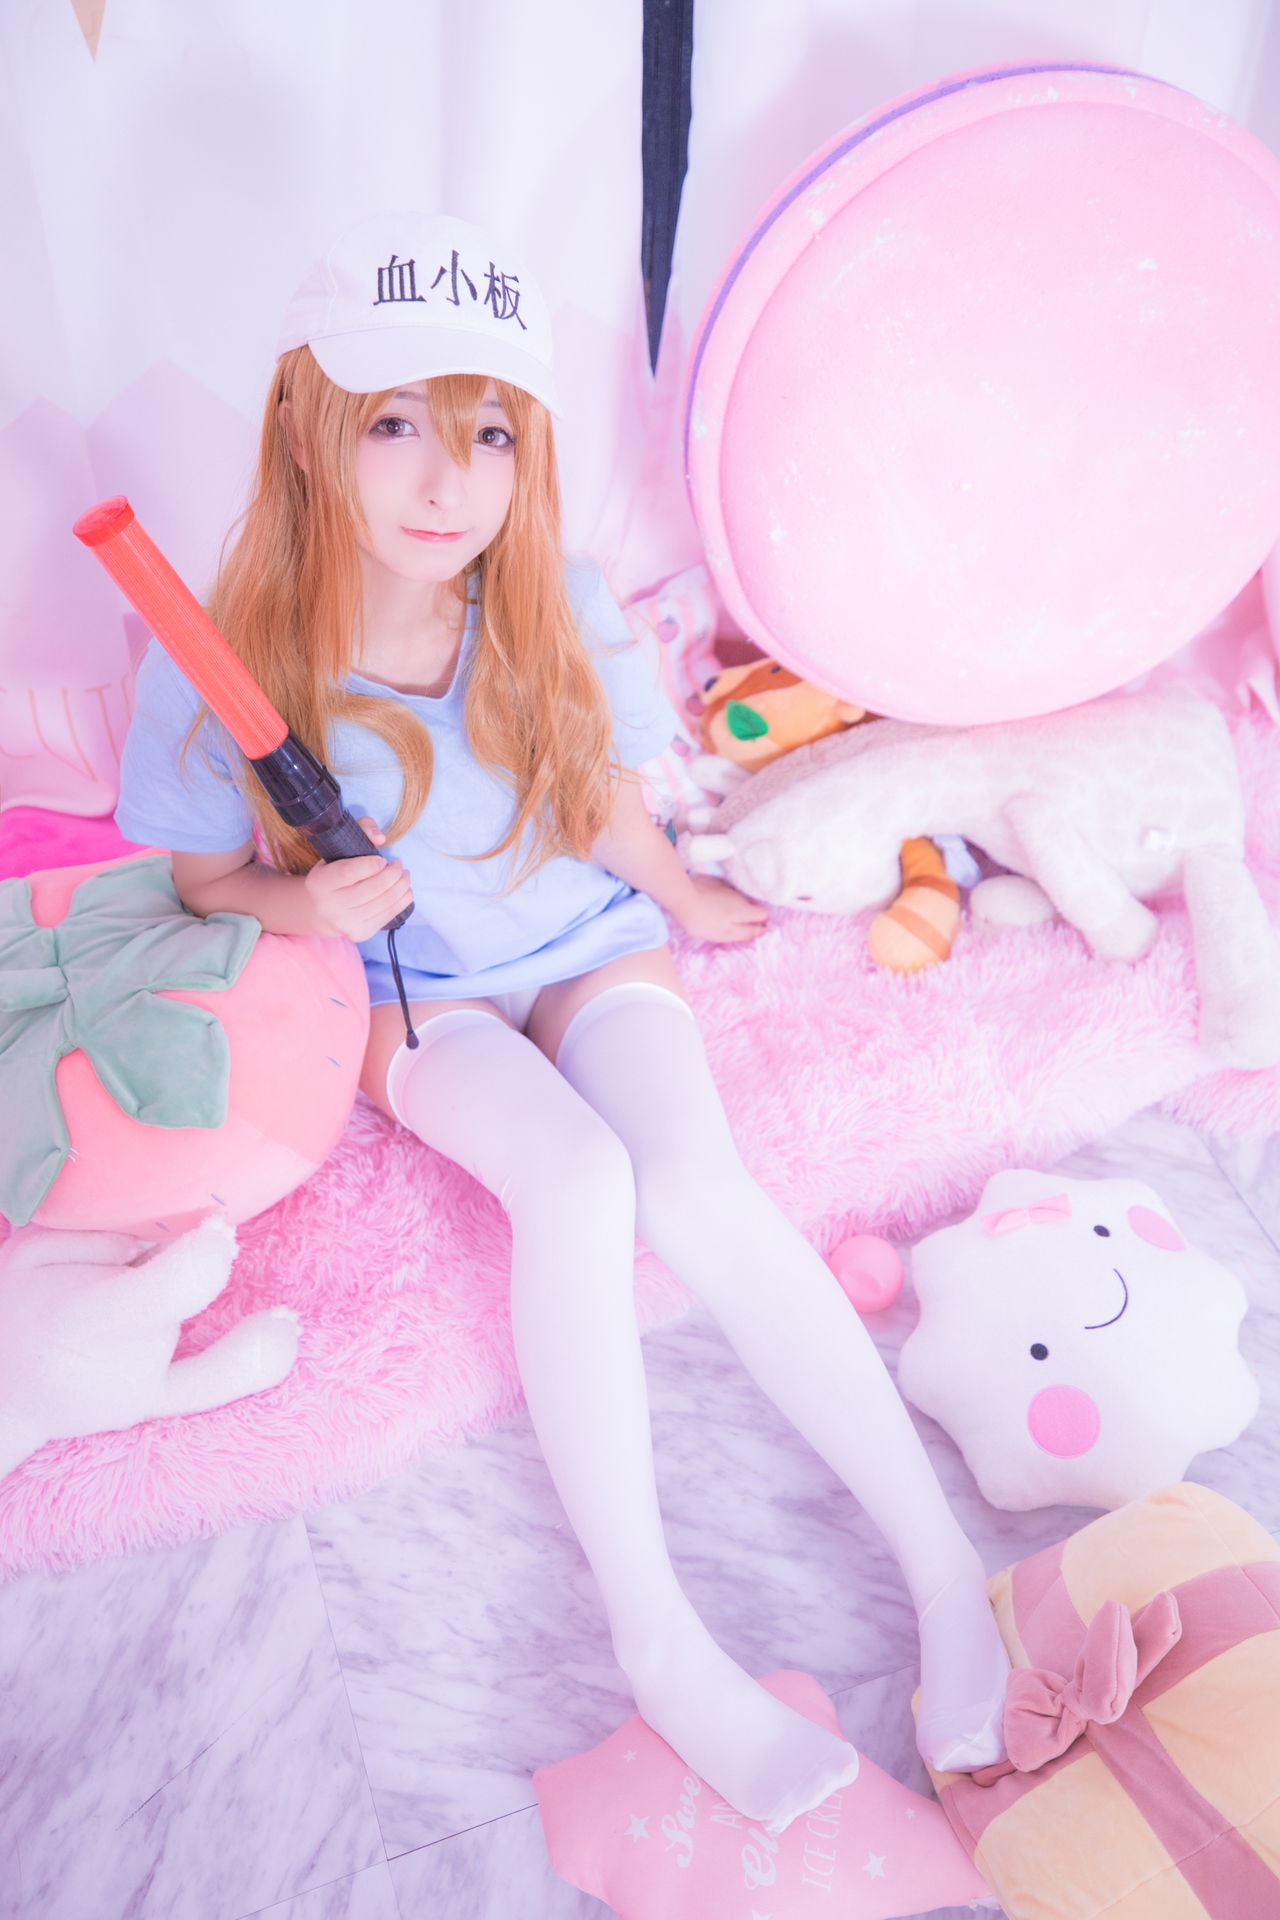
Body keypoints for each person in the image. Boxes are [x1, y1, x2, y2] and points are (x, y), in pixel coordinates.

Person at [115, 212, 1010, 1830]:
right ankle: (657, 1641)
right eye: (395, 422)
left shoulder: (554, 604)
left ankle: (947, 1573)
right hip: (416, 1001)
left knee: (698, 1186)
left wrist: (681, 894)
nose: (443, 480)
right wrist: (310, 907)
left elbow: (594, 799)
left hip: (583, 941)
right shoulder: (227, 658)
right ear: (309, 429)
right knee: (580, 1186)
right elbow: (201, 885)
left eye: (488, 434)